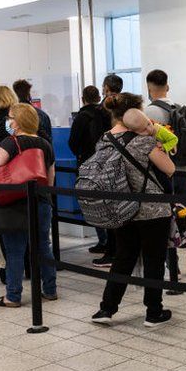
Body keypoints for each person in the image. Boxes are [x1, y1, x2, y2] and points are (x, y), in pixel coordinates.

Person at [90, 92, 175, 327]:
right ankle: (153, 312)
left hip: (121, 208)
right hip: (153, 210)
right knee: (154, 260)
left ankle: (106, 309)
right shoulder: (143, 140)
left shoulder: (104, 139)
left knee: (123, 258)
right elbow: (169, 169)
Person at [0, 104, 57, 306]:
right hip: (40, 202)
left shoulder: (9, 143)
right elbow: (50, 178)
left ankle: (13, 296)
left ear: (19, 120)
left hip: (13, 203)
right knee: (43, 246)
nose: (9, 121)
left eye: (11, 117)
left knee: (15, 250)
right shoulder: (45, 144)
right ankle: (50, 290)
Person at [143, 69, 186, 276]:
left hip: (164, 173)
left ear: (149, 89)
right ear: (167, 87)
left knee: (167, 218)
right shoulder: (181, 109)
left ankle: (174, 268)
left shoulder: (149, 113)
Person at [69, 85, 115, 258]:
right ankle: (108, 243)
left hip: (88, 164)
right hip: (108, 164)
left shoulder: (81, 117)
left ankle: (105, 242)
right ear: (98, 97)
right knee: (109, 204)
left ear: (83, 99)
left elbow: (73, 143)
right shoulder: (106, 113)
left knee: (92, 204)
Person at [88, 75, 124, 267]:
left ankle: (112, 253)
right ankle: (118, 251)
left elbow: (96, 135)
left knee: (109, 212)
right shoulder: (127, 105)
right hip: (122, 166)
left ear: (107, 87)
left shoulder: (104, 108)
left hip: (106, 164)